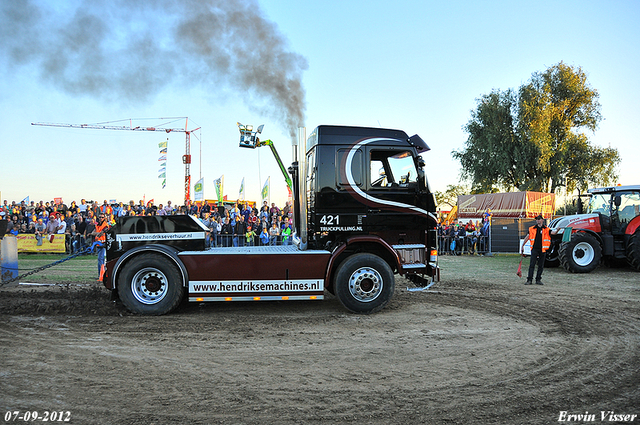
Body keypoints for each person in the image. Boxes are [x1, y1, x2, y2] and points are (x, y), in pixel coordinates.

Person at [520, 214, 558, 285]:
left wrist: (558, 230)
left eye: (539, 219)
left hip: (543, 250)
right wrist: (523, 245)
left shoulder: (547, 229)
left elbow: (554, 233)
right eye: (537, 219)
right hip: (534, 249)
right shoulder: (532, 229)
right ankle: (529, 280)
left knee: (541, 265)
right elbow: (527, 237)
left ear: (542, 220)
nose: (538, 220)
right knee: (532, 264)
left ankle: (538, 279)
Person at [92, 214, 109, 280]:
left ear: (104, 218)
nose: (101, 218)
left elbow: (101, 233)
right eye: (100, 217)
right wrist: (98, 233)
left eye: (102, 217)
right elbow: (93, 233)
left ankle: (102, 275)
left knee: (101, 259)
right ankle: (100, 274)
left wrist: (97, 233)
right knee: (100, 260)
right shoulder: (97, 225)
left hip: (103, 244)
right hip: (99, 244)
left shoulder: (105, 225)